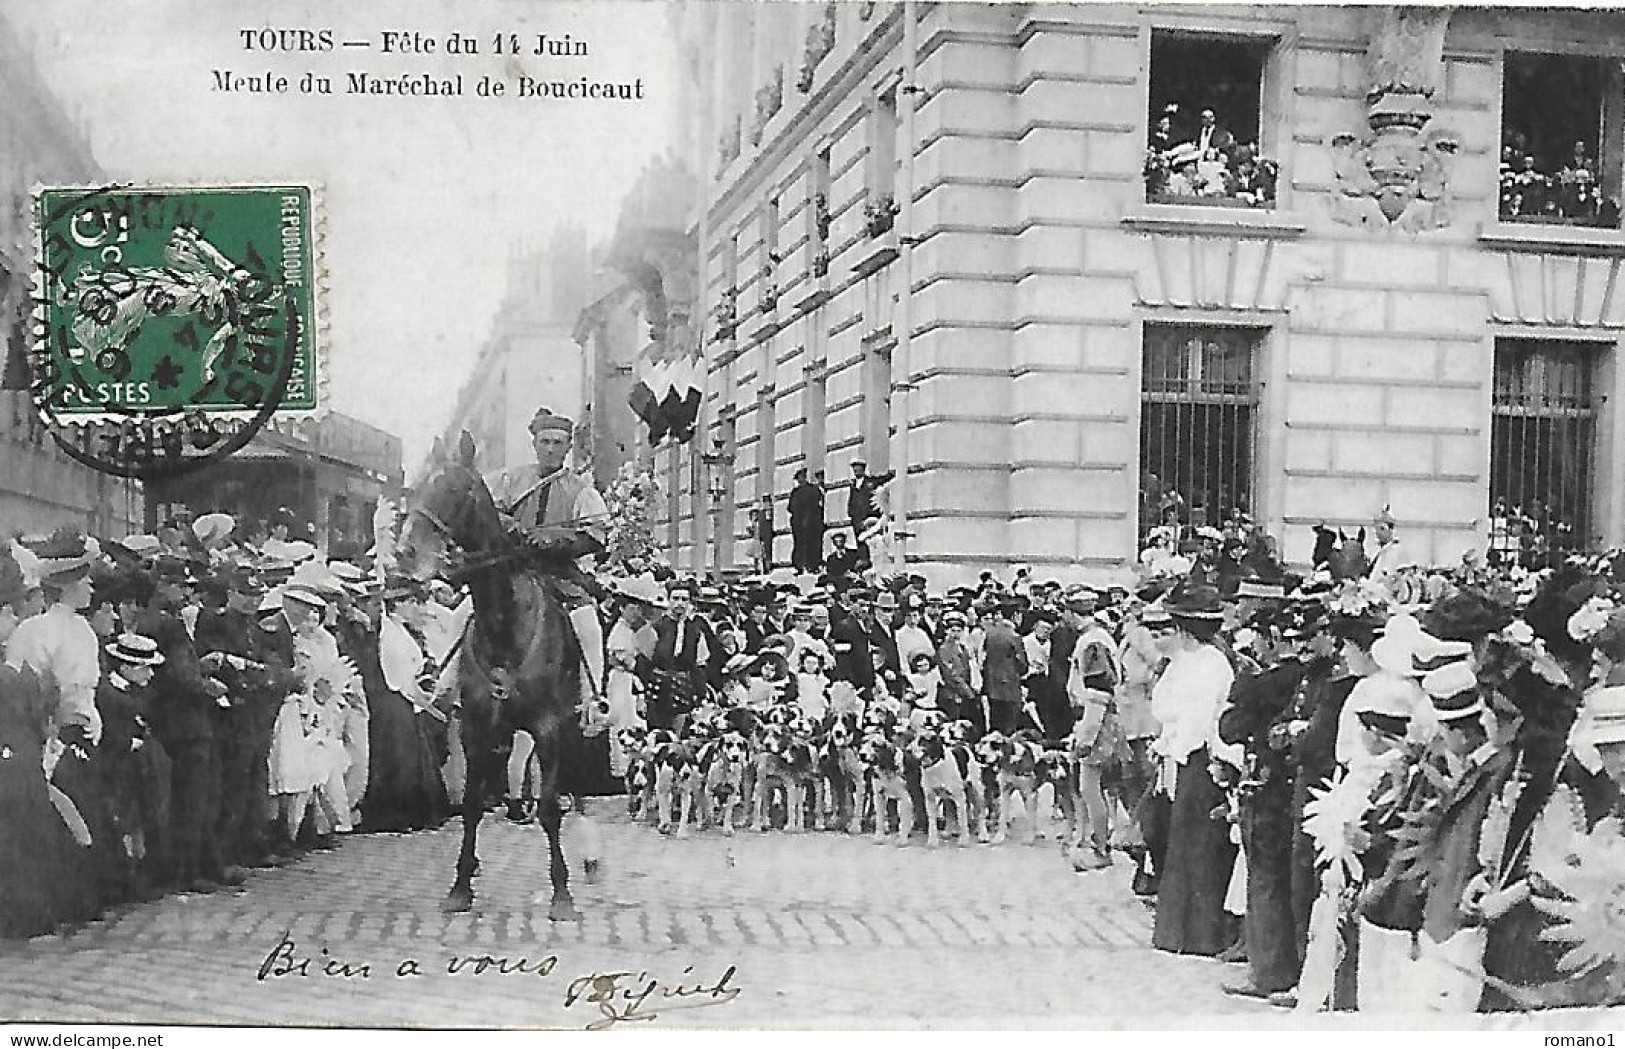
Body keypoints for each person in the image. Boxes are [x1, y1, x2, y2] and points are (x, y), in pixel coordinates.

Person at [485, 407, 612, 816]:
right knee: (464, 617)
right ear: (534, 443)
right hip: (514, 571)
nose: (552, 449)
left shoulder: (581, 490)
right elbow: (486, 513)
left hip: (559, 575)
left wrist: (558, 541)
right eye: (546, 442)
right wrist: (510, 528)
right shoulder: (509, 480)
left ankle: (595, 698)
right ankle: (446, 681)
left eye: (560, 443)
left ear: (569, 447)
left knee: (587, 624)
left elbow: (596, 534)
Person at [1150, 581, 1239, 957]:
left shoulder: (1212, 664)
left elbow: (1201, 719)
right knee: (1183, 840)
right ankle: (1179, 930)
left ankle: (1202, 933)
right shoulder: (1184, 663)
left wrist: (1178, 752)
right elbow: (1165, 708)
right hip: (1180, 754)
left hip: (1202, 757)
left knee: (1201, 844)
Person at [981, 599, 1028, 734]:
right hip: (1010, 687)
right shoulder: (1014, 637)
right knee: (1009, 727)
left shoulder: (990, 633)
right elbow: (1022, 665)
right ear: (1015, 616)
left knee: (995, 723)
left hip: (992, 685)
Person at [788, 468, 826, 574]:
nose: (801, 479)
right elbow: (790, 508)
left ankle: (811, 565)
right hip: (799, 524)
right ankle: (800, 565)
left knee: (811, 544)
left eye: (802, 477)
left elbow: (816, 506)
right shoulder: (795, 492)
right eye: (799, 478)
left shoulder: (813, 489)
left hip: (812, 523)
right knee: (800, 545)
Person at [1366, 506, 1414, 579]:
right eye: (1376, 529)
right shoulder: (1376, 550)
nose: (1377, 533)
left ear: (1391, 530)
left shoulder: (1398, 551)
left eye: (1382, 529)